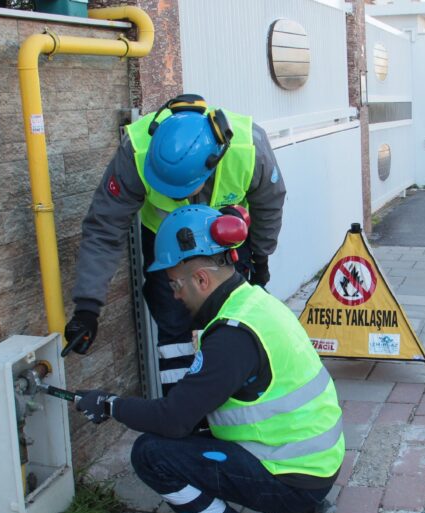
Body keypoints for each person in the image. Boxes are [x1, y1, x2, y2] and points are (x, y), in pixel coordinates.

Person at [74, 204, 343, 513]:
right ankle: (300, 512)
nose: (174, 295)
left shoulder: (231, 336)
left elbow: (172, 419)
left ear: (200, 278)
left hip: (295, 475)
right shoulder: (254, 302)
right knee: (192, 431)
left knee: (151, 453)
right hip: (315, 463)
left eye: (175, 284)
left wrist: (111, 405)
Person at [63, 94, 286, 395]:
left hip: (225, 236)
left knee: (230, 320)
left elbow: (269, 204)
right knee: (173, 327)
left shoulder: (250, 147)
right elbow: (104, 227)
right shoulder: (136, 152)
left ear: (212, 163)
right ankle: (182, 414)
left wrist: (260, 260)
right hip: (166, 248)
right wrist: (87, 308)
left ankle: (232, 402)